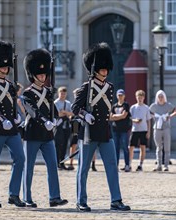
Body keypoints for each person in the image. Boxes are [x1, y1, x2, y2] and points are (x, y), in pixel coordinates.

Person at [72, 42, 130, 212]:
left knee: (112, 166)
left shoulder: (110, 88)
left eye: (106, 68)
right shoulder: (86, 87)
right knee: (83, 169)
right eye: (102, 68)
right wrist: (85, 114)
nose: (105, 71)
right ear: (94, 69)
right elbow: (75, 108)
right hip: (89, 133)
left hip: (105, 132)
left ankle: (116, 200)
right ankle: (81, 201)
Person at [22, 48, 68, 208]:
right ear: (33, 75)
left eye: (44, 74)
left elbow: (53, 110)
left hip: (47, 135)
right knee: (29, 168)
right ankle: (27, 197)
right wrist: (45, 120)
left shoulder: (48, 92)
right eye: (39, 75)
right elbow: (33, 111)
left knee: (52, 166)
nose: (42, 77)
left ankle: (54, 196)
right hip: (33, 133)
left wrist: (56, 118)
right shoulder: (27, 94)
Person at [0, 41, 25, 208]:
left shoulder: (11, 86)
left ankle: (14, 194)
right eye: (3, 66)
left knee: (20, 159)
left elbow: (12, 104)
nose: (6, 68)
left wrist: (17, 117)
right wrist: (2, 119)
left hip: (11, 128)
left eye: (7, 66)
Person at [150, 90, 176, 172]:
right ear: (157, 97)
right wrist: (155, 116)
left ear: (164, 97)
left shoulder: (168, 105)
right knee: (158, 147)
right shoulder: (154, 106)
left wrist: (169, 116)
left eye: (162, 96)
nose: (160, 98)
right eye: (159, 96)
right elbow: (149, 112)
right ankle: (159, 165)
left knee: (167, 147)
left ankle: (166, 165)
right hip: (157, 128)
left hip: (166, 128)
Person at [128, 90, 151, 172]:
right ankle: (129, 164)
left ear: (144, 98)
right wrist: (135, 120)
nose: (140, 99)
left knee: (142, 147)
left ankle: (140, 164)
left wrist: (149, 131)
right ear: (136, 98)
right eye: (138, 97)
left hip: (143, 130)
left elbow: (148, 120)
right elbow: (130, 118)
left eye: (141, 98)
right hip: (135, 130)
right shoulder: (133, 107)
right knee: (131, 147)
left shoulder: (146, 108)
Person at [111, 89, 131, 172]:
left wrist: (116, 116)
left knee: (125, 147)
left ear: (124, 96)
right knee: (116, 148)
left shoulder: (126, 105)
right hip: (115, 129)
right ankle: (116, 165)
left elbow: (124, 116)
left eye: (122, 95)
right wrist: (120, 116)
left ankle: (127, 165)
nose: (120, 97)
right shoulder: (114, 106)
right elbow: (111, 117)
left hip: (124, 129)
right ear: (116, 96)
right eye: (119, 95)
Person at [54, 86, 73, 170]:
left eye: (64, 94)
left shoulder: (68, 103)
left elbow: (71, 114)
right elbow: (58, 114)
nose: (63, 95)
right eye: (61, 93)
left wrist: (65, 112)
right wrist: (66, 113)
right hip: (58, 126)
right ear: (58, 94)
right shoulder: (55, 103)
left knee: (65, 144)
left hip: (66, 126)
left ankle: (62, 162)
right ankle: (57, 162)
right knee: (58, 144)